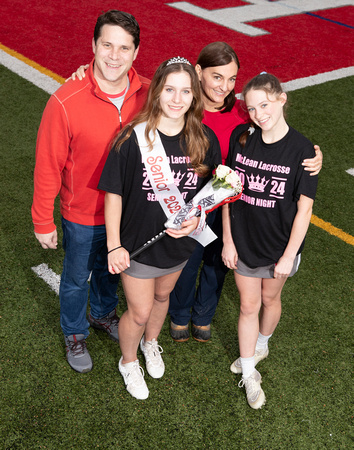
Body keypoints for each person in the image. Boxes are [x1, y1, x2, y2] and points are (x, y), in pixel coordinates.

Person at [168, 42, 323, 343]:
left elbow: (277, 132)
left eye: (231, 79)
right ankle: (179, 313)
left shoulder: (243, 111)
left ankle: (203, 315)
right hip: (190, 201)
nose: (224, 87)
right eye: (217, 77)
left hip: (229, 205)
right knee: (187, 260)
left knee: (218, 262)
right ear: (198, 72)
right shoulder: (182, 104)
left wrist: (314, 155)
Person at [31, 10, 150, 373]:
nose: (114, 56)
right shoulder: (65, 101)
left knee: (110, 271)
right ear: (93, 46)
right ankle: (74, 332)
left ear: (136, 52)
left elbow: (189, 96)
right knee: (75, 277)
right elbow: (47, 164)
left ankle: (102, 315)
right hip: (81, 214)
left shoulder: (149, 93)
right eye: (107, 45)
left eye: (123, 48)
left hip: (127, 214)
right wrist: (42, 221)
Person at [97, 57, 221, 399]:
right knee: (138, 311)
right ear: (157, 92)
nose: (177, 99)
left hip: (180, 246)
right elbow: (113, 195)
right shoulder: (132, 139)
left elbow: (210, 194)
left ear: (194, 96)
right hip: (137, 243)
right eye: (169, 89)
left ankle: (151, 343)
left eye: (185, 91)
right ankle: (128, 360)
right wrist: (113, 245)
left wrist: (198, 218)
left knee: (162, 297)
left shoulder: (205, 139)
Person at [222, 72, 318, 409]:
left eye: (264, 104)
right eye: (251, 108)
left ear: (281, 99)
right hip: (244, 241)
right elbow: (227, 190)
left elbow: (304, 209)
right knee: (248, 305)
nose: (259, 114)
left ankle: (263, 343)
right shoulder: (242, 136)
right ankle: (249, 372)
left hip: (279, 246)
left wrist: (289, 255)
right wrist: (228, 241)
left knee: (270, 298)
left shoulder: (304, 149)